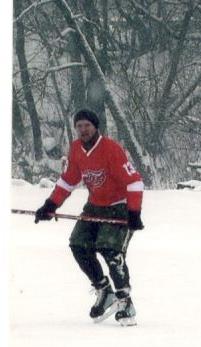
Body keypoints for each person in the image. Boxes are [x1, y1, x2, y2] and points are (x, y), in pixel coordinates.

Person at [34, 109, 145, 325]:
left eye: (87, 126)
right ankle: (105, 292)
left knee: (110, 250)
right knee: (78, 245)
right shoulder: (76, 149)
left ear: (95, 127)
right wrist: (50, 205)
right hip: (94, 206)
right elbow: (68, 181)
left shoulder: (111, 149)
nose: (83, 130)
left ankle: (126, 302)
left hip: (119, 206)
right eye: (79, 126)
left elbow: (135, 182)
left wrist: (134, 213)